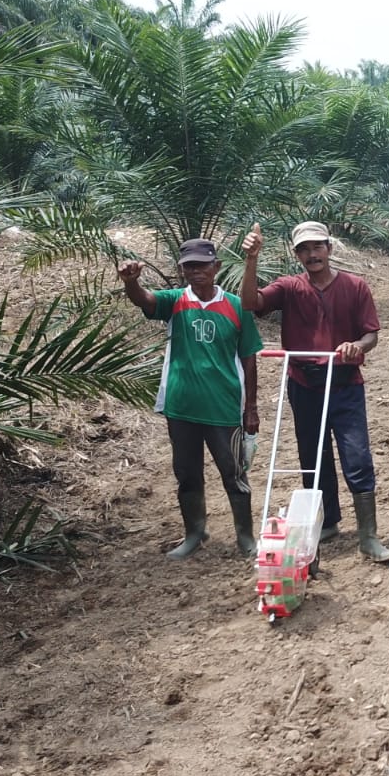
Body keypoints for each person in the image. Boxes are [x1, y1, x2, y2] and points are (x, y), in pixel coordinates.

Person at [241, 220, 389, 563]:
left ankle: (368, 535)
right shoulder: (289, 287)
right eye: (304, 249)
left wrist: (357, 346)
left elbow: (371, 334)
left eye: (317, 247)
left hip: (345, 384)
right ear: (296, 254)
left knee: (356, 455)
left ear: (329, 248)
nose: (312, 255)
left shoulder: (355, 286)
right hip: (304, 382)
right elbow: (250, 303)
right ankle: (327, 522)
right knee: (313, 456)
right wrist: (251, 260)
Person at [118, 239, 262, 558]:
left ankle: (246, 537)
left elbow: (250, 357)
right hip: (182, 407)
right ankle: (194, 533)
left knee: (234, 472)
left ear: (216, 267)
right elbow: (144, 299)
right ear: (182, 270)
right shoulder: (174, 302)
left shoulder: (237, 306)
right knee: (187, 473)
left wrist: (251, 408)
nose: (196, 272)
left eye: (202, 265)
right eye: (189, 266)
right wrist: (132, 281)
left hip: (224, 407)